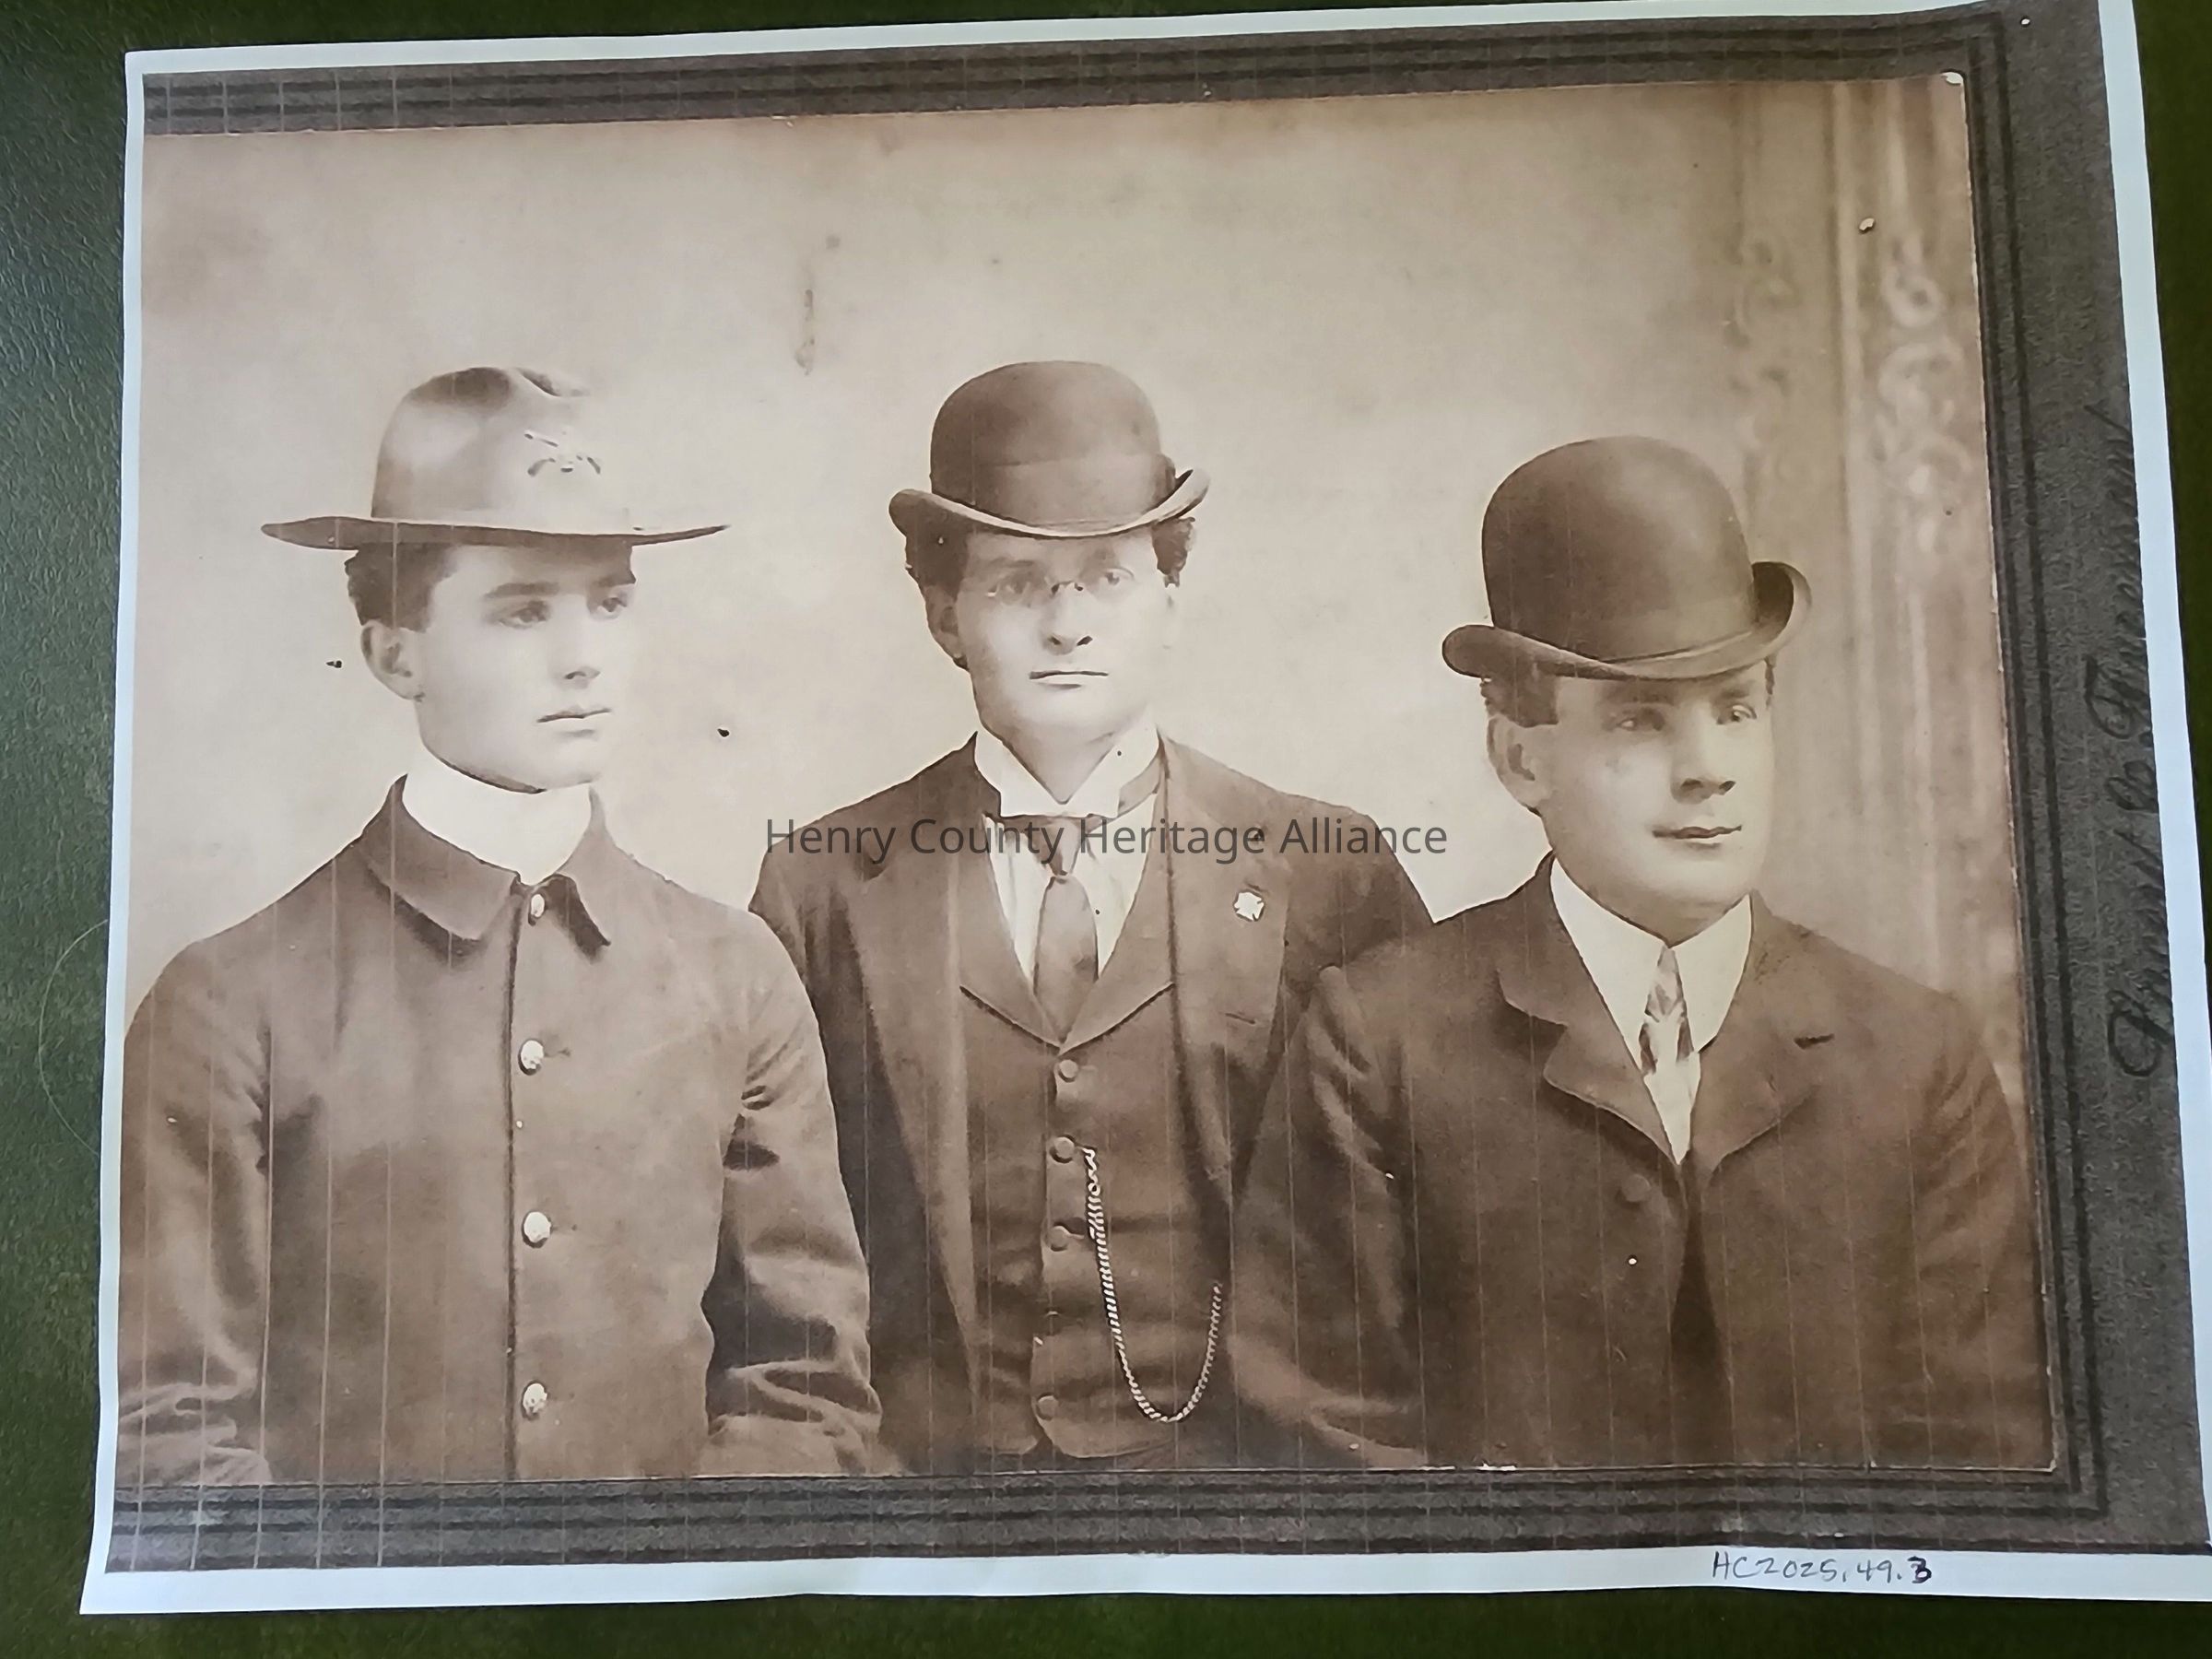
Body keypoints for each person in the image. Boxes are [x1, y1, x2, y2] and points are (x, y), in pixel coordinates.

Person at [1229, 435, 2050, 1470]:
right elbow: (1327, 1439)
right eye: (1639, 721)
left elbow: (1979, 1451)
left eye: (1736, 709)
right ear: (1521, 760)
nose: (1708, 769)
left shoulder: (1916, 1056)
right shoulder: (1379, 1041)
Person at [118, 365, 877, 1486]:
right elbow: (171, 1437)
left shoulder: (736, 975)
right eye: (522, 611)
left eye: (610, 602)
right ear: (396, 654)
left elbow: (807, 1392)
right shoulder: (232, 1002)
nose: (584, 655)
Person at [752, 360, 1428, 1471]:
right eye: (1017, 583)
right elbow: (780, 1257)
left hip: (1242, 1505)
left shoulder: (1328, 872)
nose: (1067, 625)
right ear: (945, 616)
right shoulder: (822, 886)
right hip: (932, 1506)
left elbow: (1406, 1250)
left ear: (1169, 601)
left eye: (1108, 577)